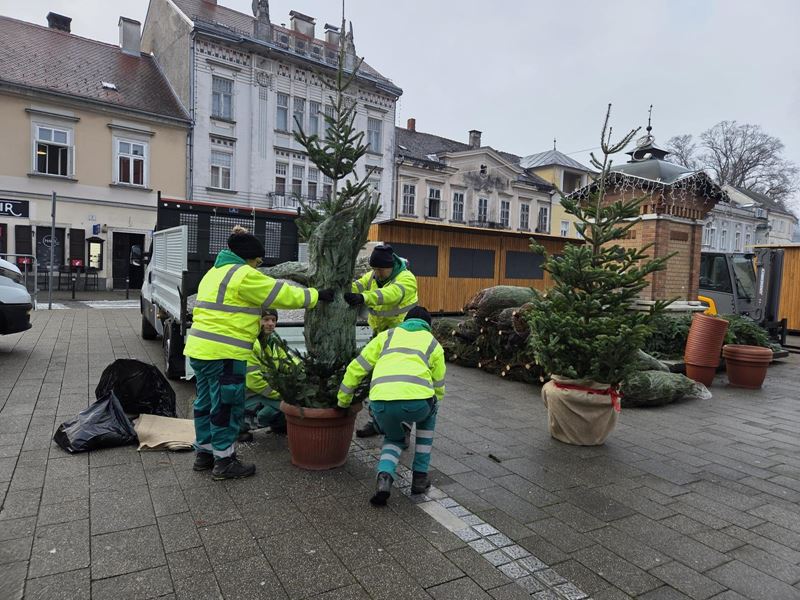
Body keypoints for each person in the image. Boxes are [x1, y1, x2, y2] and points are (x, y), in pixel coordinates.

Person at [184, 226, 334, 480]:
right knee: (227, 407)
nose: (257, 266)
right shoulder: (242, 274)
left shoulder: (215, 272)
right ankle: (224, 462)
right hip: (225, 353)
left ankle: (205, 454)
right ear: (248, 259)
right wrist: (317, 295)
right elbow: (281, 293)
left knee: (206, 404)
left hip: (200, 350)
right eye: (257, 261)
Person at [337, 306, 445, 506]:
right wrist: (434, 400)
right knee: (431, 412)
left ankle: (384, 477)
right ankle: (420, 478)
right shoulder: (432, 343)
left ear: (405, 322)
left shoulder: (387, 336)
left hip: (380, 403)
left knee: (393, 437)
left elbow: (356, 367)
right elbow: (438, 384)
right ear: (427, 326)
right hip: (417, 404)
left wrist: (343, 400)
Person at [344, 243, 418, 438]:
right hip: (380, 335)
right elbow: (357, 285)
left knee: (400, 381)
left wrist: (363, 298)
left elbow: (391, 296)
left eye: (380, 269)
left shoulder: (406, 279)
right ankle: (376, 422)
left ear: (391, 266)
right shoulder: (373, 276)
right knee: (376, 379)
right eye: (374, 269)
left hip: (402, 337)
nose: (376, 273)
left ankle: (403, 427)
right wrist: (344, 288)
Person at [240, 307, 294, 439]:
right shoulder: (250, 344)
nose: (271, 323)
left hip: (264, 392)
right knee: (282, 407)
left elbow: (288, 362)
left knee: (287, 406)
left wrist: (304, 373)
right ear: (256, 321)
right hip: (247, 395)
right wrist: (281, 395)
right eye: (266, 319)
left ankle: (279, 424)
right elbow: (254, 381)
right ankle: (240, 426)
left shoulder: (273, 341)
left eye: (273, 320)